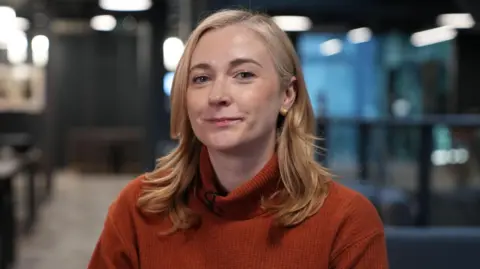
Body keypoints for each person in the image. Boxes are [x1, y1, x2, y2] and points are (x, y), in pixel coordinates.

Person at [88, 9, 388, 269]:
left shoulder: (347, 221)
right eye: (201, 78)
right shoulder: (138, 208)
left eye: (243, 75)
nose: (218, 96)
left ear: (287, 95)